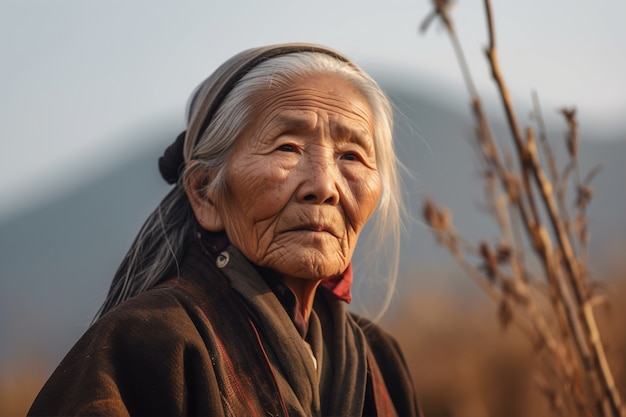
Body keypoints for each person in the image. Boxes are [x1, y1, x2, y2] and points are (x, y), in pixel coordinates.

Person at [28, 43, 421, 417]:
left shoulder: (378, 360)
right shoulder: (148, 344)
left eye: (351, 156)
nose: (324, 186)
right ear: (205, 193)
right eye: (287, 147)